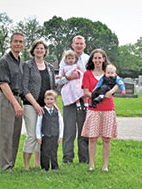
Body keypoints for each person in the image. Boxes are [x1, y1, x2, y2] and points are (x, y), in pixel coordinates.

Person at [81, 49, 119, 171]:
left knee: (106, 138)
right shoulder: (87, 74)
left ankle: (105, 165)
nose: (97, 60)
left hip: (108, 108)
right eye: (95, 58)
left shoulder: (109, 72)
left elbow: (118, 83)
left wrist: (111, 92)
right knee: (92, 138)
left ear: (103, 59)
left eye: (99, 58)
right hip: (94, 109)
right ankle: (91, 165)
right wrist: (97, 96)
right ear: (92, 60)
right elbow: (86, 91)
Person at [22, 39, 56, 170]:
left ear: (45, 51)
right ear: (33, 50)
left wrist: (54, 104)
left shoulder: (49, 67)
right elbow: (24, 88)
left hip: (46, 106)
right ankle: (26, 166)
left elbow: (52, 88)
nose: (39, 50)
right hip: (31, 104)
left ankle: (37, 164)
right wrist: (36, 105)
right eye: (37, 48)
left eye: (42, 48)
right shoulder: (28, 65)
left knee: (41, 134)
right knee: (31, 134)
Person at [57, 35, 90, 164]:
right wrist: (69, 77)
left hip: (84, 98)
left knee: (83, 129)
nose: (79, 46)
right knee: (69, 130)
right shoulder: (65, 60)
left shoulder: (88, 59)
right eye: (77, 43)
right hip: (70, 98)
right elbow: (59, 80)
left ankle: (84, 159)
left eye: (81, 43)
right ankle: (67, 158)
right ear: (73, 45)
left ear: (85, 45)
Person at [0, 32, 25, 171]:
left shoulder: (20, 61)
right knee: (6, 134)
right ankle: (5, 167)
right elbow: (3, 83)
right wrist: (14, 103)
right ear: (10, 43)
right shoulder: (4, 61)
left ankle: (11, 165)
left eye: (21, 42)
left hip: (18, 98)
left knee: (15, 134)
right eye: (16, 41)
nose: (18, 44)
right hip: (8, 99)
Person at [36, 90, 64, 171]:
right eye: (47, 99)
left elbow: (61, 124)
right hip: (45, 135)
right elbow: (38, 124)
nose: (49, 101)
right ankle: (45, 167)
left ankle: (55, 167)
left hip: (55, 135)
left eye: (51, 99)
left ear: (55, 101)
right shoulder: (42, 112)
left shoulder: (57, 112)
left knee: (53, 151)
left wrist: (60, 136)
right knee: (45, 152)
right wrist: (38, 136)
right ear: (44, 100)